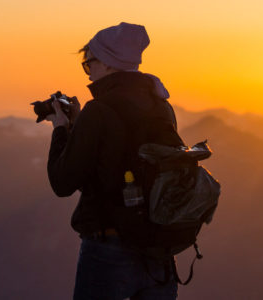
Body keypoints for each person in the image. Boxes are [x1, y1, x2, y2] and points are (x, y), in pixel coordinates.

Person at [46, 22, 182, 300]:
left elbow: (62, 182)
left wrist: (61, 129)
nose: (88, 71)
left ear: (108, 63)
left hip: (110, 249)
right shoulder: (161, 106)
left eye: (89, 63)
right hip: (158, 249)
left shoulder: (99, 110)